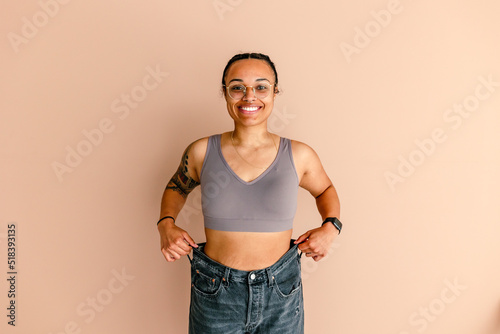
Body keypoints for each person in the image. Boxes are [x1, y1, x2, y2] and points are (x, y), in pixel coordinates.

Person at [157, 53, 341, 334]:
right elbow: (176, 188)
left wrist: (331, 227)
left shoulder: (299, 154)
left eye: (261, 86)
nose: (249, 96)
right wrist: (166, 226)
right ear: (225, 93)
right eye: (237, 87)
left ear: (275, 92)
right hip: (215, 291)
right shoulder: (201, 151)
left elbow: (326, 190)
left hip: (281, 289)